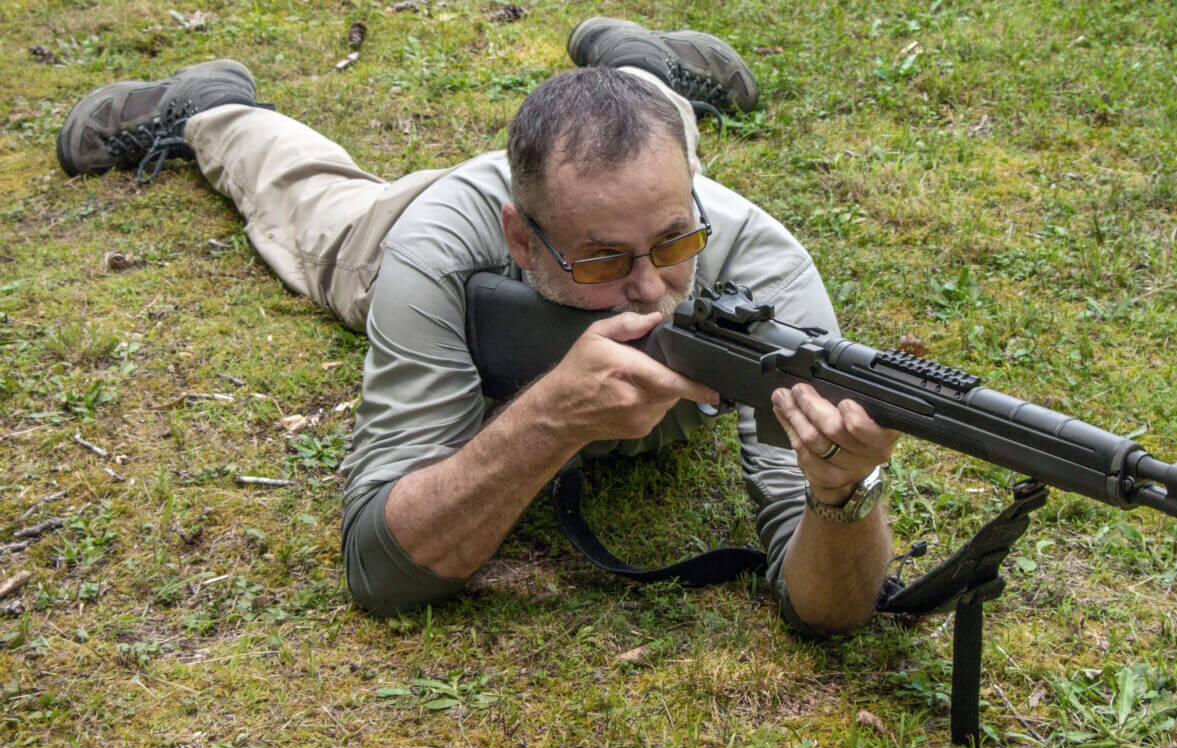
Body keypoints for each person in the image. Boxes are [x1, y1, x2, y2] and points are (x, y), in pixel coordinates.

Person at [56, 18, 899, 637]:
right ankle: (214, 109)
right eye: (603, 260)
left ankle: (638, 69)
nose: (649, 289)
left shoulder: (765, 270)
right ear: (522, 241)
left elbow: (829, 605)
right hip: (420, 219)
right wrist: (549, 419)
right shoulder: (442, 249)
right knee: (313, 209)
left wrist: (841, 498)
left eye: (674, 243)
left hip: (616, 191)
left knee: (632, 136)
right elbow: (378, 565)